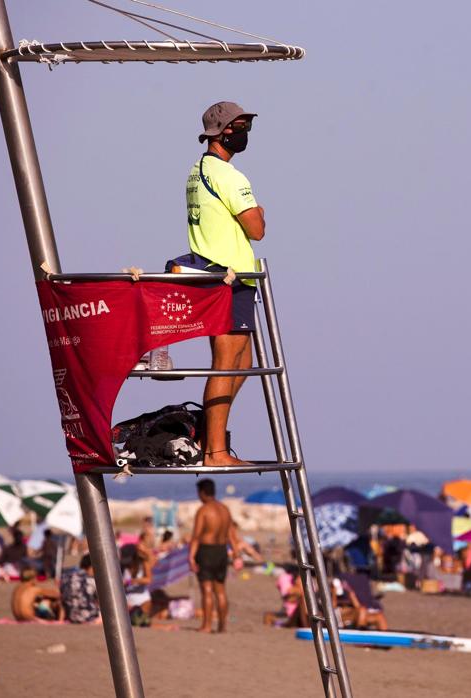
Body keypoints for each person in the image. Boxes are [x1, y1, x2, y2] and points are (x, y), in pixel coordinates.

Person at [186, 101, 266, 466]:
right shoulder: (230, 176)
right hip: (228, 277)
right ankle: (215, 451)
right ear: (223, 132)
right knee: (226, 363)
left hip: (219, 274)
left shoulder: (197, 169)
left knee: (243, 361)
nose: (246, 131)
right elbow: (257, 228)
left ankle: (208, 433)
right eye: (240, 125)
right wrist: (260, 211)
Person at [190, 478, 240, 632]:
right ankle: (222, 626)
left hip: (206, 551)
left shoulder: (203, 510)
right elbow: (232, 535)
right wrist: (236, 555)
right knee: (221, 590)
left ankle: (206, 626)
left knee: (206, 589)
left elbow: (196, 536)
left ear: (203, 493)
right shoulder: (225, 509)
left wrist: (191, 556)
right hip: (221, 551)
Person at [60, 554, 101, 624]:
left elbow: (62, 597)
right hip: (90, 617)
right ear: (92, 567)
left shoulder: (65, 577)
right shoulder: (91, 581)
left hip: (71, 617)